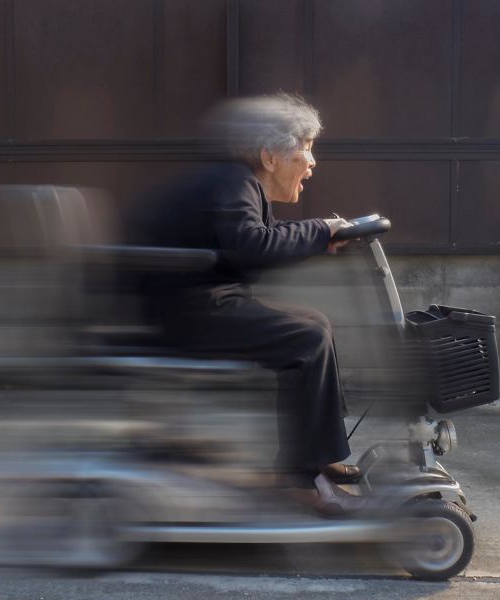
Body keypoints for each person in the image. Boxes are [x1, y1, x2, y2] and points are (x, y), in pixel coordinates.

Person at [135, 94, 363, 516]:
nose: (312, 163)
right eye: (306, 150)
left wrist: (322, 235)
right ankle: (300, 477)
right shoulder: (234, 183)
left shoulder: (237, 182)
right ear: (270, 156)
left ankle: (318, 454)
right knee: (306, 335)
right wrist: (320, 229)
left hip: (197, 304)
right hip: (186, 314)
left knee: (313, 323)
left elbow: (263, 238)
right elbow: (252, 247)